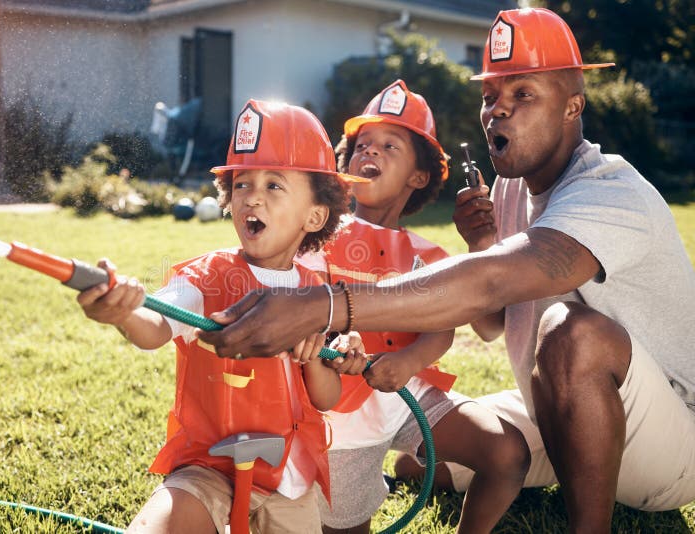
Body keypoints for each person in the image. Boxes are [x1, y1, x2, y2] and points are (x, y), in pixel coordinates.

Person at [198, 8, 695, 532]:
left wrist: (321, 307)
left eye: (522, 94)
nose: (497, 112)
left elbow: (496, 280)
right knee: (427, 459)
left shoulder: (611, 190)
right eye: (490, 98)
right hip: (560, 404)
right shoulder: (509, 189)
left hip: (671, 441)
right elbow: (492, 322)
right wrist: (484, 241)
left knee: (574, 333)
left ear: (573, 105)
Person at [76, 99, 366, 533]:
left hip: (288, 477)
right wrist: (123, 311)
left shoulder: (317, 292)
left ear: (315, 214)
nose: (253, 198)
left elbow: (324, 398)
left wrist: (320, 357)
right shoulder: (206, 277)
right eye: (243, 184)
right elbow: (155, 329)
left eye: (274, 186)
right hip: (207, 467)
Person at [297, 80, 529, 533]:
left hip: (411, 396)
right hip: (340, 411)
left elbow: (442, 327)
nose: (371, 153)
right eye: (362, 145)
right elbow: (306, 309)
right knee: (345, 527)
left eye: (389, 145)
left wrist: (407, 362)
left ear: (419, 176)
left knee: (508, 454)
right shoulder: (318, 236)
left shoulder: (430, 255)